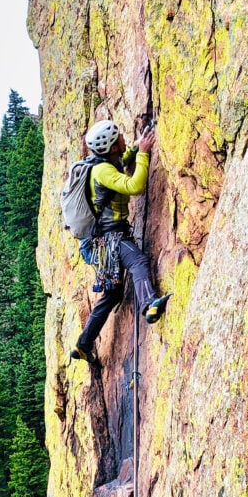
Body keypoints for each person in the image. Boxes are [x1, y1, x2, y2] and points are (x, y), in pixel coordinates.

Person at [70, 119, 171, 363]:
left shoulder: (99, 163)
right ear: (112, 146)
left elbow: (121, 160)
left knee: (112, 295)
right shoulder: (102, 170)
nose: (123, 138)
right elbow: (134, 186)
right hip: (110, 238)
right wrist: (145, 154)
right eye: (120, 138)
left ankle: (84, 344)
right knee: (137, 260)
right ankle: (149, 305)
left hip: (100, 242)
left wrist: (136, 148)